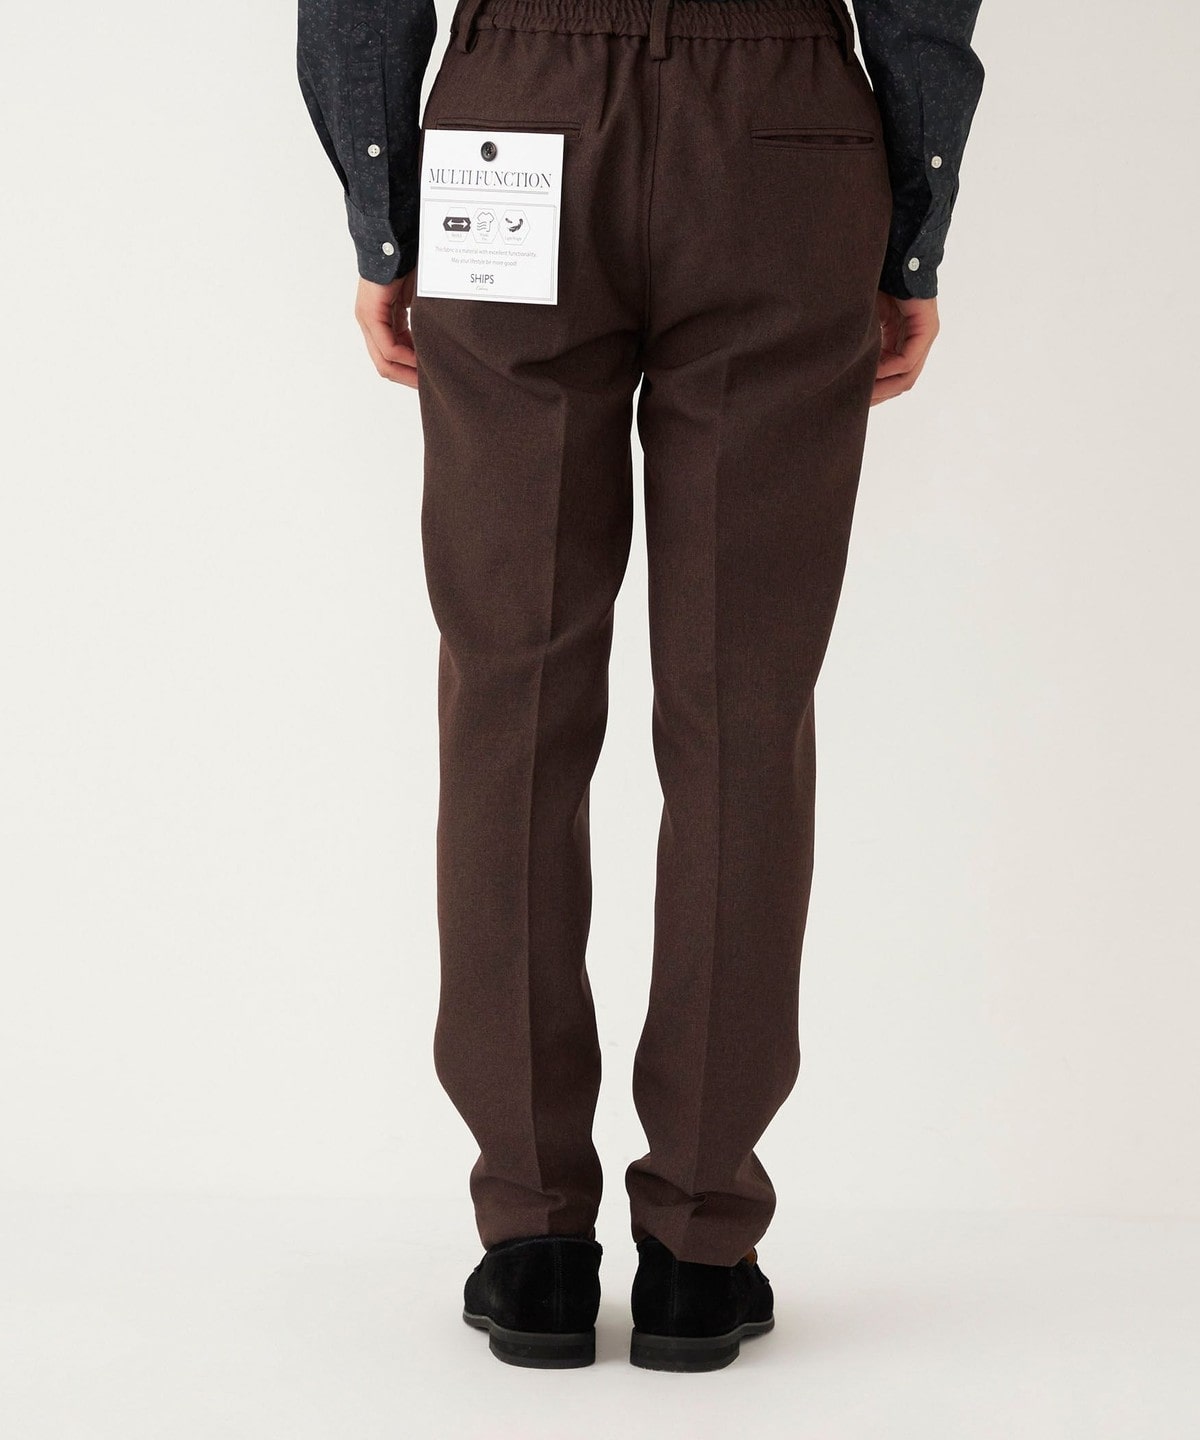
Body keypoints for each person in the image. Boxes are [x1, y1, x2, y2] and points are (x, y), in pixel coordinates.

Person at [297, 0, 984, 1372]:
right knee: (745, 710)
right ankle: (700, 1248)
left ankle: (532, 1240)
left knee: (509, 699)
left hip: (516, 115)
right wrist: (910, 230)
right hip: (784, 142)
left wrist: (385, 215)